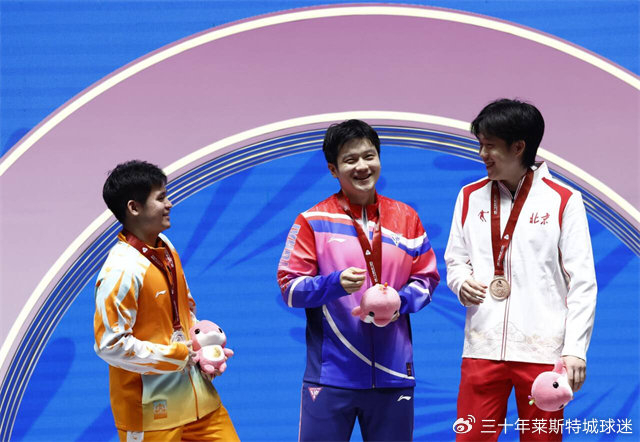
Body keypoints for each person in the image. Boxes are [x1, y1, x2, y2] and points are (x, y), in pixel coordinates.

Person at [277, 119, 440, 441]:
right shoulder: (313, 221)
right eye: (350, 160)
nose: (362, 166)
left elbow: (427, 279)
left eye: (369, 156)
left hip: (394, 372)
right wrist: (334, 283)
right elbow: (290, 289)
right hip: (331, 375)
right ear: (333, 169)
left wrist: (399, 302)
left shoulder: (407, 218)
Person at [445, 99, 597, 441]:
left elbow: (582, 282)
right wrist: (461, 282)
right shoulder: (469, 196)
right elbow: (455, 259)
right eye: (480, 145)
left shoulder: (563, 200)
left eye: (490, 146)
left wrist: (575, 348)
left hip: (543, 352)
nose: (482, 154)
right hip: (482, 347)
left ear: (518, 147)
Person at [94, 160, 239, 442]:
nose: (169, 204)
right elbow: (109, 345)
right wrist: (178, 355)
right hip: (150, 415)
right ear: (134, 208)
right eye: (160, 198)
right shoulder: (120, 270)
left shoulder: (166, 248)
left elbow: (185, 310)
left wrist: (203, 345)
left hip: (200, 403)